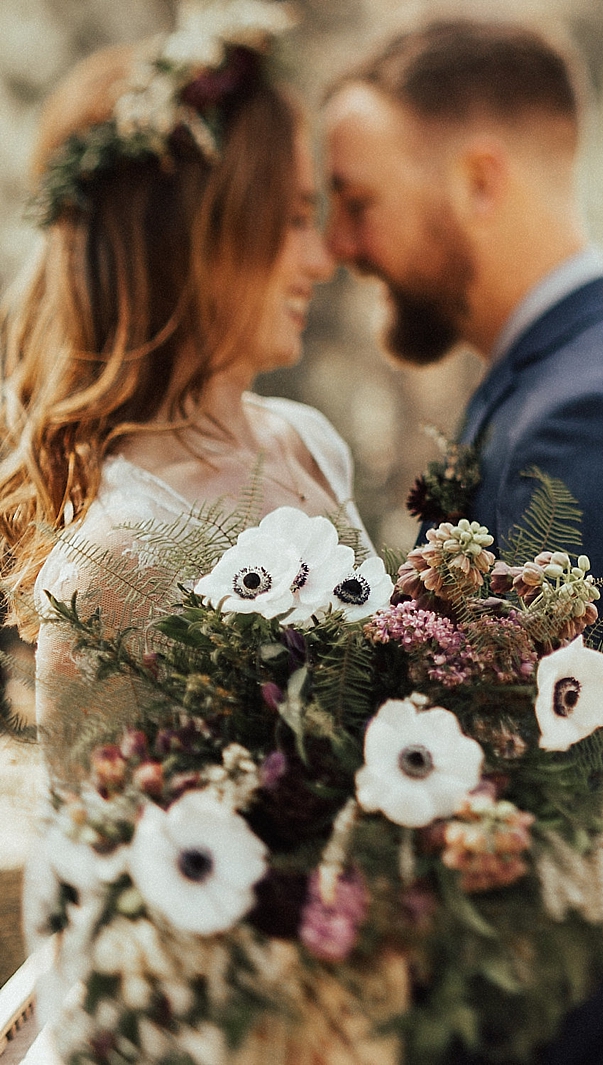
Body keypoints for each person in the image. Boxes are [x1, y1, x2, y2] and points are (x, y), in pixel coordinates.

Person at [324, 17, 603, 1065]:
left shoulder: (596, 419)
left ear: (479, 179)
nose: (341, 247)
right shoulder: (558, 390)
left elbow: (591, 863)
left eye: (358, 202)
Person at [0, 2, 379, 741]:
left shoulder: (311, 441)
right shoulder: (108, 563)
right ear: (197, 242)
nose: (320, 261)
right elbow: (91, 849)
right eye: (293, 219)